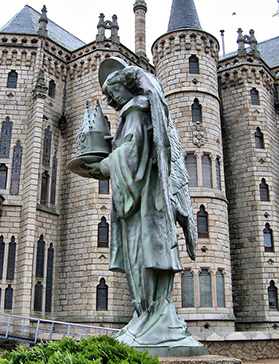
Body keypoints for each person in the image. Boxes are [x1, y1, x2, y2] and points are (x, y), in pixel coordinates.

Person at [84, 59, 200, 348]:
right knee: (146, 258)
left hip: (146, 204)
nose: (111, 101)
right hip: (146, 203)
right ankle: (149, 315)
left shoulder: (136, 111)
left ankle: (152, 316)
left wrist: (104, 165)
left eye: (113, 95)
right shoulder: (137, 114)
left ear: (125, 87)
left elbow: (133, 155)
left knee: (143, 257)